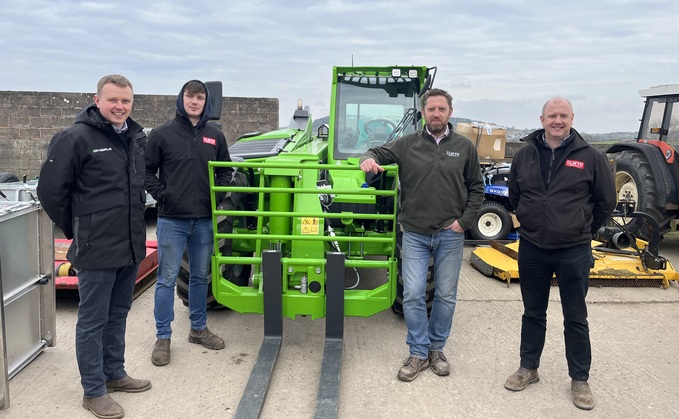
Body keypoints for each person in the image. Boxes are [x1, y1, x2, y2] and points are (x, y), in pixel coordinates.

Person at [37, 74, 151, 419]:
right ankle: (93, 391)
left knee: (118, 313)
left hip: (129, 244)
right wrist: (79, 228)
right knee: (92, 319)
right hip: (96, 247)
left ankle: (114, 373)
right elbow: (50, 192)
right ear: (97, 99)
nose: (120, 107)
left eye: (126, 101)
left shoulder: (134, 137)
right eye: (113, 100)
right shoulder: (75, 138)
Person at [360, 88, 484, 382]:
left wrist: (463, 222)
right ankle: (418, 352)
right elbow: (378, 152)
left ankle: (436, 349)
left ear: (450, 112)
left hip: (450, 235)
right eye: (431, 109)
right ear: (423, 112)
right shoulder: (408, 144)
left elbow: (477, 188)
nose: (436, 114)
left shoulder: (465, 148)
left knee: (445, 295)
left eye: (442, 109)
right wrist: (367, 159)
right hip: (414, 234)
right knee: (413, 294)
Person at [505, 97, 616, 410]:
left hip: (573, 250)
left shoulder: (591, 157)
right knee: (532, 312)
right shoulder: (525, 154)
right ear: (542, 119)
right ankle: (529, 368)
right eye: (552, 115)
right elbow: (515, 195)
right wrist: (529, 218)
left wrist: (581, 229)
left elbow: (605, 202)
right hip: (532, 249)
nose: (557, 120)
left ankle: (579, 379)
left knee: (576, 317)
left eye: (563, 115)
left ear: (572, 118)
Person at [145, 79, 233, 367]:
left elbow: (225, 170)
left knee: (199, 277)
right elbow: (146, 173)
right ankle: (163, 338)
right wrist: (164, 195)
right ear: (181, 99)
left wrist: (217, 201)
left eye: (200, 97)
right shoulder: (162, 135)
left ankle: (198, 329)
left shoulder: (214, 135)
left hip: (205, 221)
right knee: (166, 279)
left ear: (206, 102)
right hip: (172, 220)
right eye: (190, 96)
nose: (194, 101)